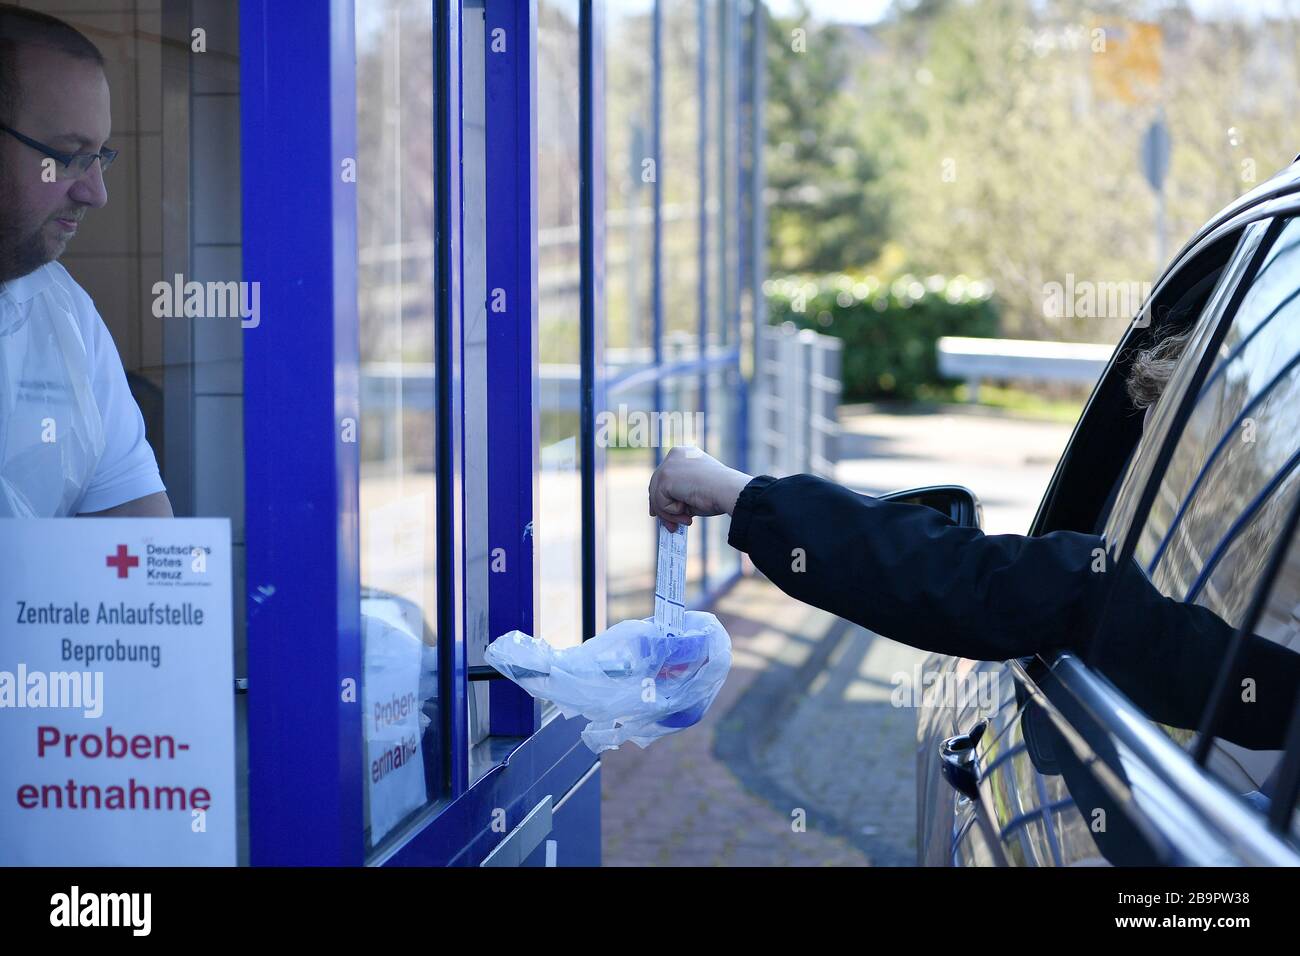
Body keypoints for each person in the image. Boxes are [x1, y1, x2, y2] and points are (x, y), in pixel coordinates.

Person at [647, 325, 1300, 755]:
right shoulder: (1253, 641)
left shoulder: (1203, 638)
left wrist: (742, 495)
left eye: (1173, 473)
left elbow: (973, 583)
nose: (1179, 502)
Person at [0, 4, 171, 517]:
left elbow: (141, 540)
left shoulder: (63, 312)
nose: (96, 193)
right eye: (69, 155)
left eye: (99, 157)